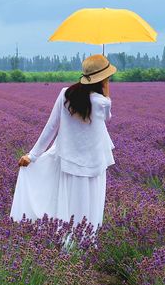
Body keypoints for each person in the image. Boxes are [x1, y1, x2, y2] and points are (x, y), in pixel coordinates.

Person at [10, 54, 116, 231]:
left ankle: (66, 240)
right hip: (94, 161)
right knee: (90, 204)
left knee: (69, 205)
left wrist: (32, 156)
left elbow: (51, 127)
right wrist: (106, 93)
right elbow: (107, 118)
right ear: (102, 79)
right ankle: (86, 241)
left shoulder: (65, 94)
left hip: (68, 159)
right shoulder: (102, 102)